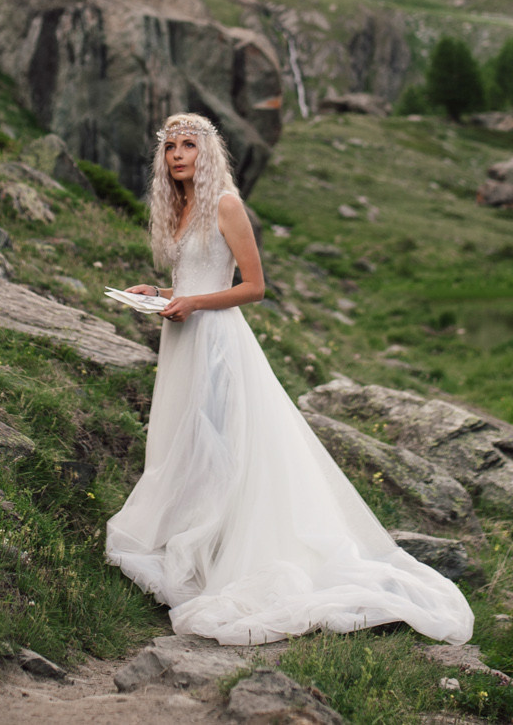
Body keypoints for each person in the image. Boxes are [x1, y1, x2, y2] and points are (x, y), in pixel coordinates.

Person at [104, 112, 473, 646]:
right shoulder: (179, 209)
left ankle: (227, 556)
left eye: (189, 146)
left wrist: (191, 303)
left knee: (222, 445)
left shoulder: (225, 204)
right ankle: (196, 549)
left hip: (217, 341)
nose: (178, 155)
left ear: (207, 155)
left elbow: (253, 286)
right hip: (182, 339)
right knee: (188, 445)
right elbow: (190, 282)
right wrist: (157, 294)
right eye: (170, 148)